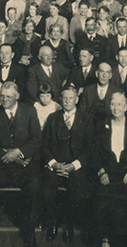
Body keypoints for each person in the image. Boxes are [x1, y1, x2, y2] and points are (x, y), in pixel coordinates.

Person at [0, 82, 42, 247]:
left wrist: (20, 152)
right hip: (2, 165)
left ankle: (29, 233)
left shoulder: (29, 111)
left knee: (35, 188)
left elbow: (36, 140)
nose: (4, 99)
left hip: (25, 165)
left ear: (17, 96)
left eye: (8, 96)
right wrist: (12, 156)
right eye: (2, 96)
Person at [42, 87, 94, 243]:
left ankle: (68, 224)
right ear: (60, 100)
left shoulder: (87, 119)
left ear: (76, 99)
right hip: (56, 165)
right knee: (46, 189)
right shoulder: (52, 118)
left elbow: (90, 148)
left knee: (77, 191)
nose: (67, 101)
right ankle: (52, 223)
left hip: (75, 166)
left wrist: (73, 166)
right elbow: (44, 145)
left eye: (71, 98)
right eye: (64, 98)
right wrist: (54, 164)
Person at [92, 92, 127, 247]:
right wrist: (101, 171)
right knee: (102, 199)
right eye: (112, 104)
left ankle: (122, 241)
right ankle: (104, 239)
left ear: (125, 107)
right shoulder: (102, 124)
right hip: (107, 172)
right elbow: (95, 151)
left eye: (119, 104)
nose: (115, 107)